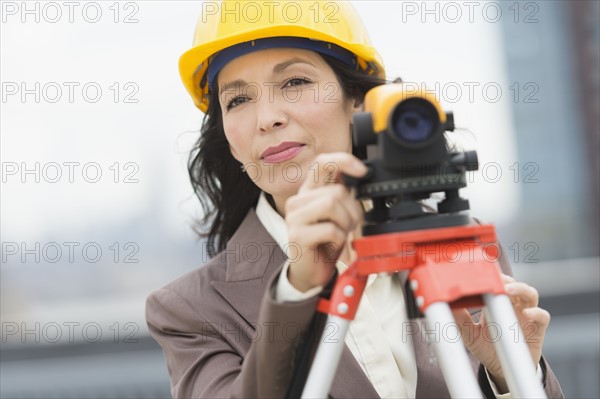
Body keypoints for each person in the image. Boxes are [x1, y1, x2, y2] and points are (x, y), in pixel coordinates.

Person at [146, 1, 564, 398]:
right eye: (237, 100)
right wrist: (297, 290)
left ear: (358, 103)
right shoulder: (190, 310)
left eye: (295, 82)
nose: (266, 117)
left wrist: (510, 377)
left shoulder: (458, 243)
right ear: (229, 141)